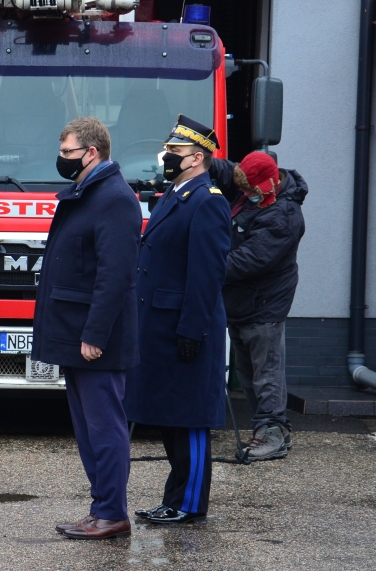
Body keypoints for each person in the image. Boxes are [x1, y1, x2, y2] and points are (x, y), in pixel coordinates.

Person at [32, 117, 142, 540]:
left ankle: (112, 512)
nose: (61, 160)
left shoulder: (113, 198)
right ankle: (101, 508)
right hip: (75, 334)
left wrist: (95, 334)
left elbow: (115, 276)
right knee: (87, 429)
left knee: (104, 427)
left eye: (67, 153)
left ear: (91, 153)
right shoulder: (89, 192)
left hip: (95, 339)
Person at [124, 115, 230, 524]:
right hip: (160, 325)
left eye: (174, 152)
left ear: (196, 158)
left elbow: (207, 273)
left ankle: (189, 504)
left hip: (187, 327)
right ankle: (174, 499)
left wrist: (193, 329)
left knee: (189, 420)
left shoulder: (209, 200)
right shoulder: (175, 194)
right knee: (171, 418)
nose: (166, 157)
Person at [209, 151, 308, 460]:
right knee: (250, 371)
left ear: (270, 184)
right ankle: (266, 430)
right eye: (245, 189)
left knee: (265, 372)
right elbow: (226, 171)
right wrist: (192, 153)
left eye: (252, 191)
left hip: (264, 303)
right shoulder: (252, 185)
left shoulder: (284, 216)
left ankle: (273, 431)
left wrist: (204, 266)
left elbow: (249, 260)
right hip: (242, 302)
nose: (247, 195)